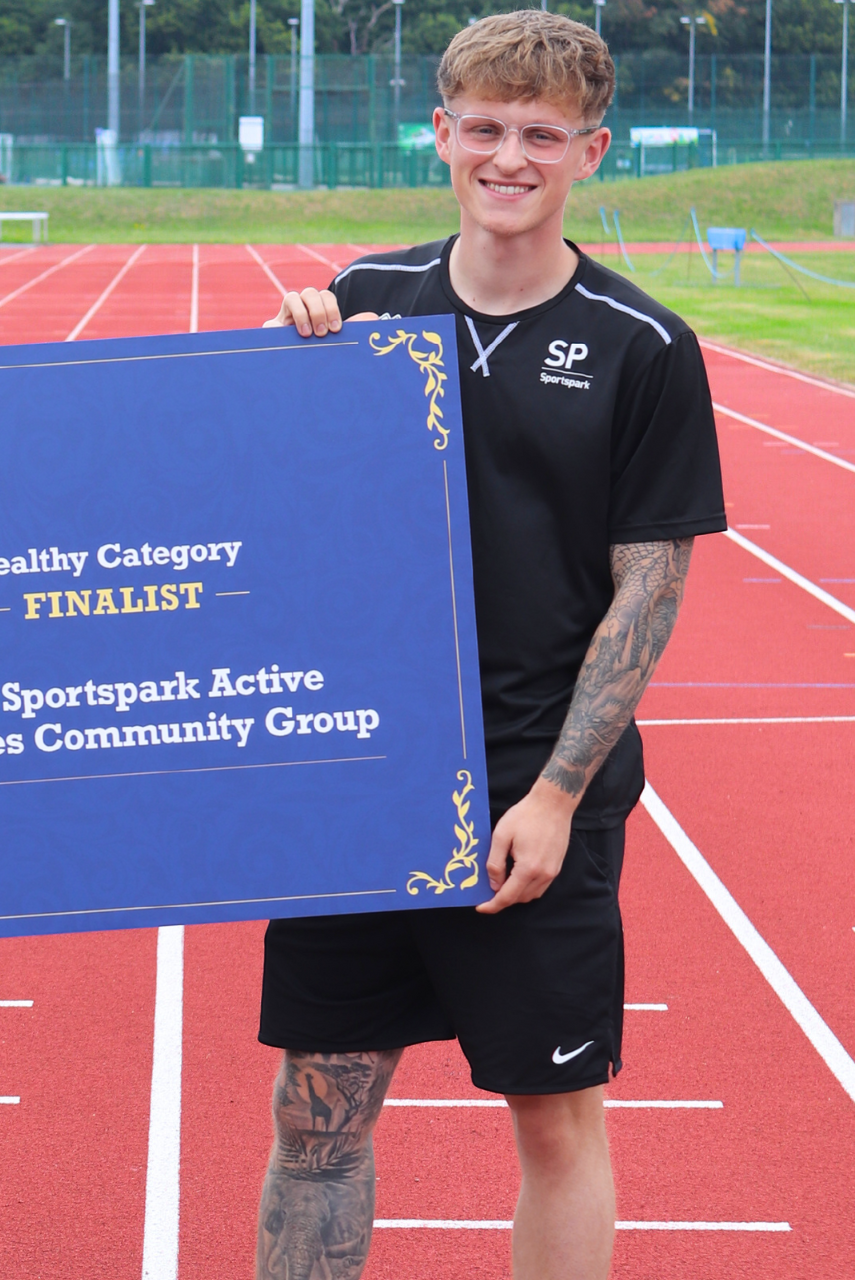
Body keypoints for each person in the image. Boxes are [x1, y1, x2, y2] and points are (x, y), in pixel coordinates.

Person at [258, 13, 724, 1279]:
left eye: (541, 134)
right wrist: (281, 376)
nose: (508, 156)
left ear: (592, 152)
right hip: (355, 777)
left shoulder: (647, 347)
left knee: (556, 1121)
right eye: (484, 128)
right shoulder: (362, 304)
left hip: (529, 783)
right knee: (319, 1114)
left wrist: (558, 792)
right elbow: (261, 517)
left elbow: (647, 594)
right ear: (441, 136)